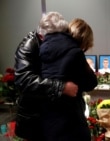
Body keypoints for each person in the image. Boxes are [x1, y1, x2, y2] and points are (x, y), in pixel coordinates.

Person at [14, 12, 78, 141]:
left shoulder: (55, 43)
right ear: (42, 36)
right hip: (34, 116)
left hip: (54, 114)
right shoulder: (28, 46)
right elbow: (24, 81)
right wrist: (62, 87)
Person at [38, 14, 97, 141]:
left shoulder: (41, 47)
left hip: (47, 118)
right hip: (70, 121)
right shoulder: (75, 53)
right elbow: (91, 82)